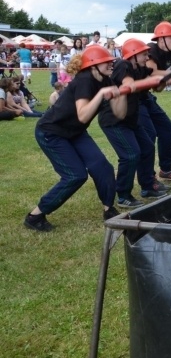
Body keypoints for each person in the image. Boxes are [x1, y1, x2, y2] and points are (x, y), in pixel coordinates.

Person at [23, 45, 126, 232]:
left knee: (102, 167)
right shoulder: (84, 80)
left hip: (75, 132)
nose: (111, 63)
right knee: (75, 175)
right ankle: (35, 216)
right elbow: (83, 115)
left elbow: (119, 114)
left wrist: (121, 95)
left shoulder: (105, 80)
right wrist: (101, 95)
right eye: (106, 61)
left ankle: (109, 209)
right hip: (51, 132)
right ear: (94, 65)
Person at [100, 38, 169, 209]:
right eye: (144, 54)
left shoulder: (140, 69)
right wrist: (153, 80)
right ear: (134, 55)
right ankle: (123, 195)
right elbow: (128, 83)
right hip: (114, 120)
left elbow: (156, 81)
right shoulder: (123, 65)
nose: (147, 57)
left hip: (131, 119)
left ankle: (147, 186)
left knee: (147, 147)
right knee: (131, 154)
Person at [143, 21, 171, 183]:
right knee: (148, 137)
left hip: (146, 96)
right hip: (132, 100)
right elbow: (152, 73)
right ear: (161, 39)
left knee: (168, 129)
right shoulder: (150, 51)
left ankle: (166, 169)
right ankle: (148, 179)